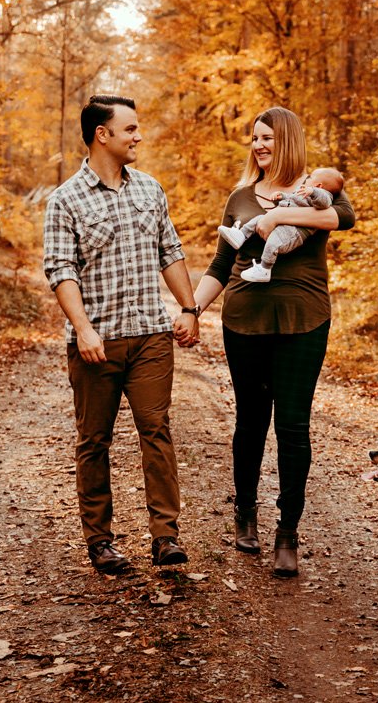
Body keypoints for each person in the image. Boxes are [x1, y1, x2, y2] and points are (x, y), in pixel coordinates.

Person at [189, 108, 355, 577]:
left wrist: (282, 211)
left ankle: (288, 533)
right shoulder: (240, 198)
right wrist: (191, 309)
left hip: (304, 321)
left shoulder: (318, 190)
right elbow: (221, 266)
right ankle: (245, 513)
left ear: (287, 141)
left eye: (268, 138)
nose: (259, 145)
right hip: (244, 321)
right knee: (250, 422)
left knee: (293, 429)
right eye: (255, 138)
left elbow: (344, 218)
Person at [42, 95, 201, 575]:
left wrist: (189, 308)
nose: (138, 136)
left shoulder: (150, 189)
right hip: (98, 342)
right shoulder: (65, 199)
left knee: (156, 431)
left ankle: (165, 537)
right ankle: (101, 541)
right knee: (94, 439)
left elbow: (169, 252)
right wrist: (83, 329)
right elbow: (59, 269)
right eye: (130, 128)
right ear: (101, 135)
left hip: (151, 335)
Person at [218, 166, 345, 283]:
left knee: (273, 243)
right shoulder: (303, 192)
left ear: (318, 185)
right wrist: (282, 196)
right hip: (284, 225)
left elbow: (324, 202)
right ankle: (241, 235)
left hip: (293, 233)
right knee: (258, 219)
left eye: (311, 177)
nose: (307, 178)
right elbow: (293, 199)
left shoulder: (322, 195)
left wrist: (313, 191)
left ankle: (265, 268)